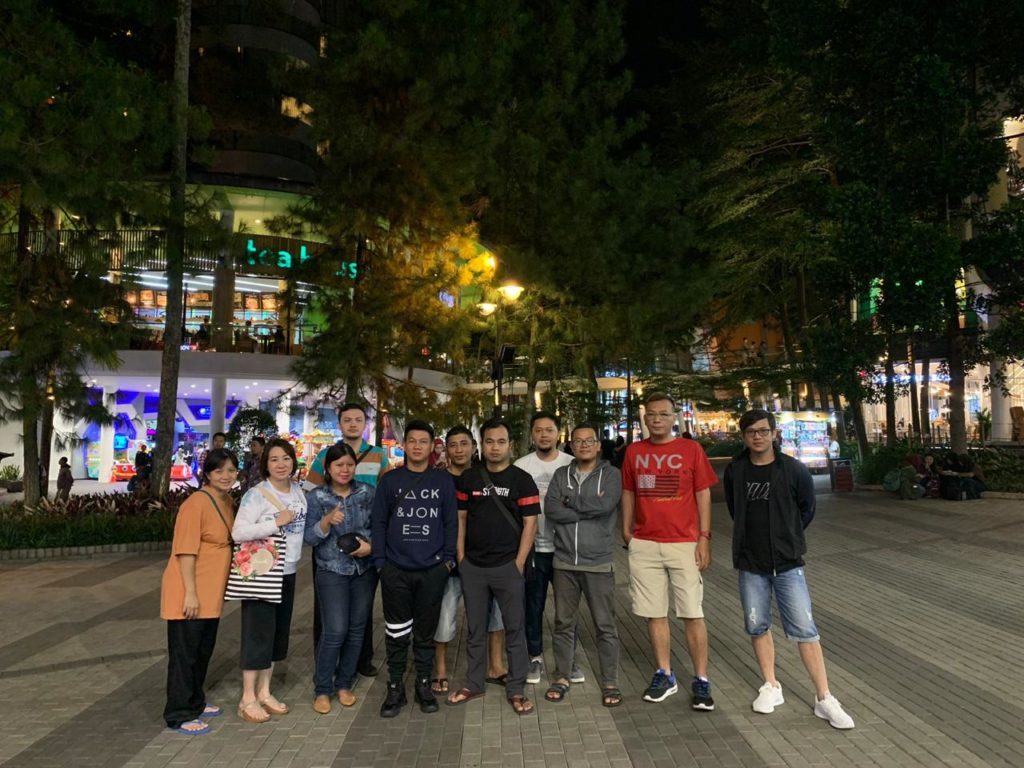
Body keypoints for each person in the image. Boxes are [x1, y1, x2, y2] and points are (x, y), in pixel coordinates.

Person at [724, 409, 855, 729]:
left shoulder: (793, 469)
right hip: (750, 562)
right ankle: (771, 685)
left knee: (805, 630)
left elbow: (807, 509)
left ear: (774, 433)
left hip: (787, 562)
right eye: (751, 432)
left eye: (763, 431)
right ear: (744, 436)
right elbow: (734, 508)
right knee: (757, 625)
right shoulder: (736, 470)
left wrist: (788, 536)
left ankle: (824, 696)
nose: (757, 437)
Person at [621, 392, 718, 708]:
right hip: (645, 543)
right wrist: (627, 530)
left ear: (674, 418)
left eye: (663, 414)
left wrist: (704, 537)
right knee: (654, 613)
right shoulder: (634, 452)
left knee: (692, 612)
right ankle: (665, 673)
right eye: (652, 414)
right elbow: (629, 492)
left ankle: (701, 678)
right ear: (645, 418)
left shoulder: (691, 449)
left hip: (683, 543)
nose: (657, 419)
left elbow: (703, 495)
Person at [447, 417, 539, 716]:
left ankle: (516, 688)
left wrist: (519, 563)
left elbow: (530, 523)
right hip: (474, 567)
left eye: (501, 441)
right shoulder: (469, 479)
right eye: (489, 441)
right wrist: (462, 558)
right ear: (481, 445)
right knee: (475, 629)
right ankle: (474, 683)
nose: (495, 447)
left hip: (508, 567)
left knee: (514, 629)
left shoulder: (522, 480)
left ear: (510, 445)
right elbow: (461, 519)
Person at [371, 420, 457, 717]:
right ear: (404, 445)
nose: (417, 446)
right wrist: (380, 563)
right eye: (412, 441)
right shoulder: (390, 481)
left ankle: (423, 683)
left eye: (423, 441)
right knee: (396, 633)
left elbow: (450, 522)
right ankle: (395, 686)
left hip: (433, 569)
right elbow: (378, 522)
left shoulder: (442, 481)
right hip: (395, 569)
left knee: (425, 633)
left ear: (432, 446)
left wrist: (448, 561)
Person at [305, 403, 390, 677]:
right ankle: (327, 662)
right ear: (340, 424)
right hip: (330, 544)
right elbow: (310, 491)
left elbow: (387, 494)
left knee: (362, 610)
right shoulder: (324, 456)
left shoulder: (379, 455)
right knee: (327, 611)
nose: (353, 424)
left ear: (365, 424)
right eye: (347, 420)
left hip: (365, 542)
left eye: (358, 420)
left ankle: (361, 661)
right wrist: (324, 519)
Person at [160, 448, 239, 735]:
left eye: (231, 470)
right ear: (207, 474)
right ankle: (179, 713)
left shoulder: (226, 500)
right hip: (190, 590)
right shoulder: (195, 504)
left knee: (202, 651)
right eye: (219, 471)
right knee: (185, 655)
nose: (226, 476)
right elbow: (185, 551)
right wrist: (190, 593)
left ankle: (195, 701)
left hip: (210, 592)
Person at [544, 423, 623, 707]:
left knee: (605, 625)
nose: (584, 445)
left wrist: (570, 503)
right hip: (564, 562)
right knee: (563, 623)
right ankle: (562, 676)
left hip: (598, 563)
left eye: (589, 440)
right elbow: (551, 509)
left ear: (599, 445)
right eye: (578, 441)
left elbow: (606, 506)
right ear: (571, 446)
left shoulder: (611, 475)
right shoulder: (561, 474)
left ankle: (610, 682)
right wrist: (583, 507)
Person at [232, 438, 307, 723]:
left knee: (277, 635)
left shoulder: (298, 491)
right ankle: (247, 697)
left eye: (286, 458)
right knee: (257, 634)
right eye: (274, 459)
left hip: (288, 571)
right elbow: (238, 533)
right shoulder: (256, 494)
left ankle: (264, 692)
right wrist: (275, 522)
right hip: (263, 574)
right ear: (265, 464)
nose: (281, 464)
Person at [432, 426, 509, 694]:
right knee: (444, 615)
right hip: (448, 560)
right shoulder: (438, 479)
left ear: (474, 447)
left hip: (484, 558)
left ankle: (495, 665)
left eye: (464, 444)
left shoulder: (485, 476)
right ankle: (440, 669)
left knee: (495, 614)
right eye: (453, 445)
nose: (459, 450)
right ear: (446, 449)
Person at [304, 443, 376, 714]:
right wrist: (325, 522)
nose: (344, 470)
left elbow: (380, 526)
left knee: (357, 629)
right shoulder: (317, 497)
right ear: (328, 468)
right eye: (339, 465)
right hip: (331, 570)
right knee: (335, 630)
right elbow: (309, 538)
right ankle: (322, 688)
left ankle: (344, 683)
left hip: (363, 570)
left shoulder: (367, 492)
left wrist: (372, 547)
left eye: (349, 464)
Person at [513, 412, 576, 685]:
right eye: (538, 430)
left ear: (557, 433)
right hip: (534, 549)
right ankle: (535, 657)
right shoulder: (521, 466)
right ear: (531, 435)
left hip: (565, 548)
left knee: (566, 610)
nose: (543, 435)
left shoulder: (571, 463)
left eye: (549, 430)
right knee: (533, 605)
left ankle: (568, 661)